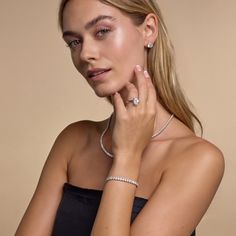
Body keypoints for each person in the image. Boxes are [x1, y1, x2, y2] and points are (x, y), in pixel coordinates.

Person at [15, 0, 225, 235]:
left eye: (102, 31)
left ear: (148, 30)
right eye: (74, 42)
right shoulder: (73, 141)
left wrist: (127, 157)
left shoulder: (198, 160)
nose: (85, 53)